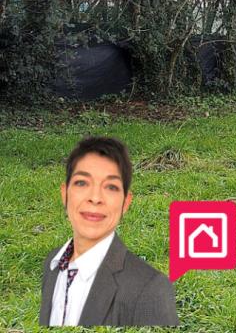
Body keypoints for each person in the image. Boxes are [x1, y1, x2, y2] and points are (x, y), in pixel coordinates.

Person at [40, 136, 178, 327]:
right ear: (64, 194)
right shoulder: (53, 263)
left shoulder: (151, 288)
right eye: (82, 183)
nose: (95, 198)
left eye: (111, 187)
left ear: (125, 203)